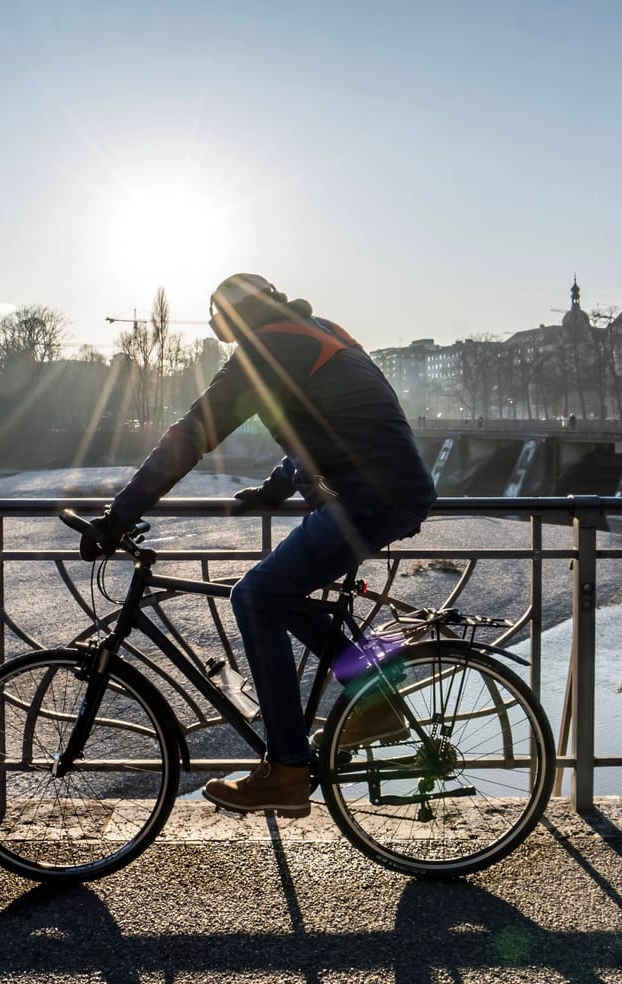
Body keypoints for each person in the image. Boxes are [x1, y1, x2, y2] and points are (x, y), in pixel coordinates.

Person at [79, 273, 436, 817]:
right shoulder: (313, 332)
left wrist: (118, 517)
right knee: (278, 594)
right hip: (379, 490)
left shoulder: (269, 348)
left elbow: (192, 433)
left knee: (256, 596)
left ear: (234, 320)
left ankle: (288, 769)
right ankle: (377, 692)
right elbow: (328, 426)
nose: (229, 343)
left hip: (368, 497)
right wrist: (273, 488)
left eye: (224, 328)